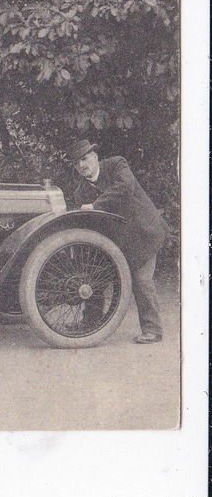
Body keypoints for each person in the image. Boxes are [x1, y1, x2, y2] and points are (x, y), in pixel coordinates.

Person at [67, 138, 169, 344]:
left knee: (141, 280)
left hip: (143, 234)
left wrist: (96, 205)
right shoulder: (81, 191)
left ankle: (153, 330)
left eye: (85, 159)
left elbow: (125, 187)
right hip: (117, 242)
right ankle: (90, 323)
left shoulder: (116, 165)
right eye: (77, 163)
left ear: (95, 157)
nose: (81, 166)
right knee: (95, 277)